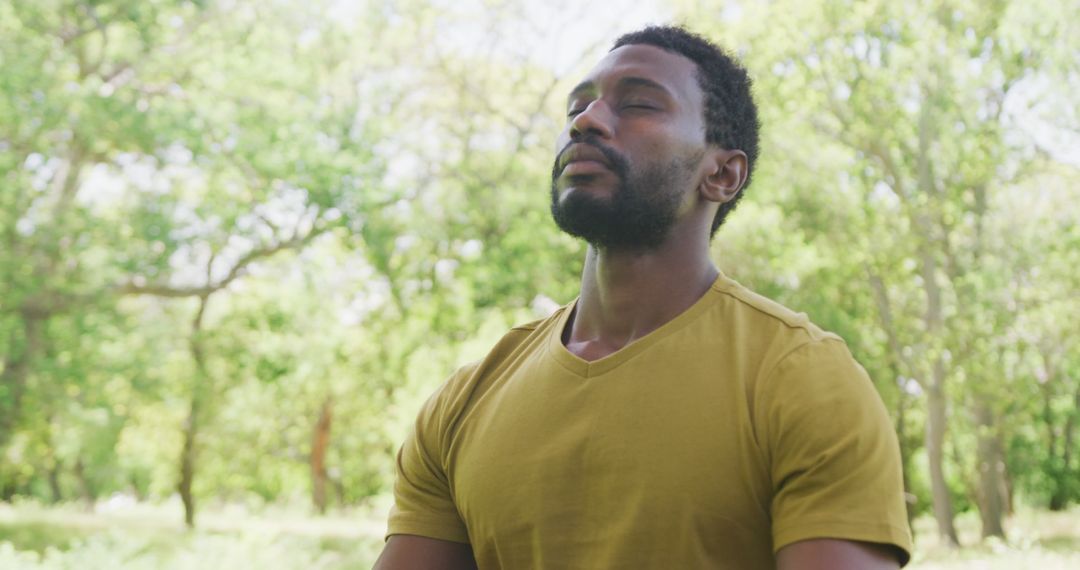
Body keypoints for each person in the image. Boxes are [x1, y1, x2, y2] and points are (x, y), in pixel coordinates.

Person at [374, 25, 912, 570]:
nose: (586, 121)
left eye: (637, 105)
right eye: (577, 108)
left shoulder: (802, 379)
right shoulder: (463, 402)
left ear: (722, 173)